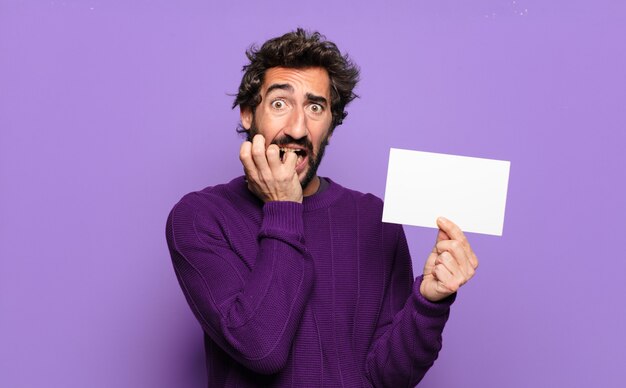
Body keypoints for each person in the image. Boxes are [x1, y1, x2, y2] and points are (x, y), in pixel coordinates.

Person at [165, 29, 478, 387]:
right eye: (280, 104)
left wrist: (429, 302)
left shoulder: (375, 221)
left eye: (316, 108)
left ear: (330, 127)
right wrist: (283, 207)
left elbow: (388, 379)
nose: (298, 128)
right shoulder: (199, 218)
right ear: (249, 114)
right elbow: (261, 349)